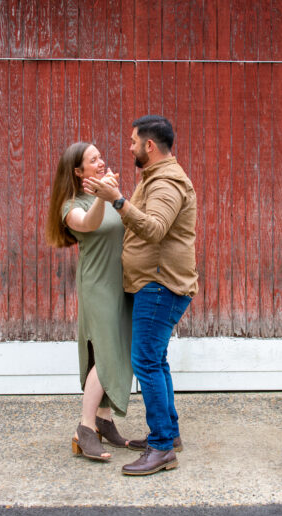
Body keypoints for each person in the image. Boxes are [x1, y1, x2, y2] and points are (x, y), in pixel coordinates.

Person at [83, 115, 197, 477]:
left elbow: (155, 229)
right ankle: (169, 435)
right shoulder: (156, 178)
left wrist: (117, 199)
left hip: (159, 285)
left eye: (133, 141)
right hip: (155, 282)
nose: (129, 147)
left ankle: (162, 448)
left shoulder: (167, 183)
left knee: (146, 362)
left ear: (149, 146)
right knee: (156, 361)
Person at [45, 142, 134, 462]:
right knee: (107, 354)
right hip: (98, 288)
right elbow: (89, 224)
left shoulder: (108, 195)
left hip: (121, 284)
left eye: (101, 157)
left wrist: (114, 196)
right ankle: (84, 429)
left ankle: (104, 420)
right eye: (93, 160)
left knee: (118, 349)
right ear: (78, 172)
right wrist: (103, 195)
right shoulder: (71, 205)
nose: (101, 162)